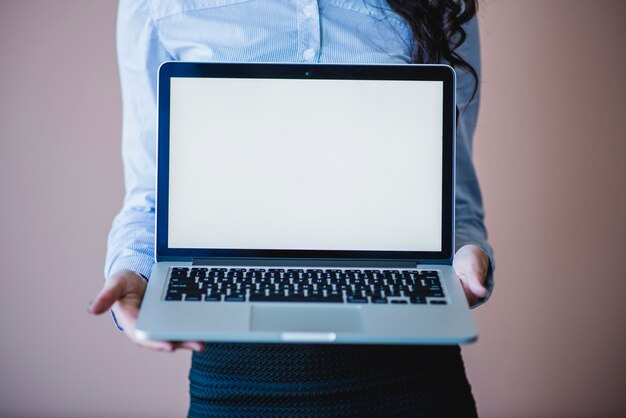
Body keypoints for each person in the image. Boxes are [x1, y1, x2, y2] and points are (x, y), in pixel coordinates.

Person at [89, 0, 495, 415]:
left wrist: (467, 252)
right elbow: (148, 196)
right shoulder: (155, 6)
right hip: (235, 384)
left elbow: (454, 195)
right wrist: (131, 269)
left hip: (412, 379)